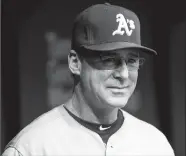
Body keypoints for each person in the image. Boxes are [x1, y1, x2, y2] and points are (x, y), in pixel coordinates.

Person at [2, 3, 175, 156]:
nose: (123, 74)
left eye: (131, 61)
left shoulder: (155, 144)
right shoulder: (32, 148)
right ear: (75, 63)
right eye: (109, 59)